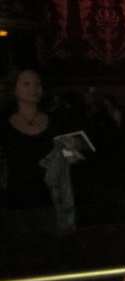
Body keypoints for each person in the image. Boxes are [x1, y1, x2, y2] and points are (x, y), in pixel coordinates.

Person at [0, 69, 71, 237]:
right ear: (14, 89)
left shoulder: (57, 120)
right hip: (15, 203)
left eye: (38, 84)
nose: (34, 89)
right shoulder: (3, 124)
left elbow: (76, 156)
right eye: (26, 84)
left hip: (52, 203)